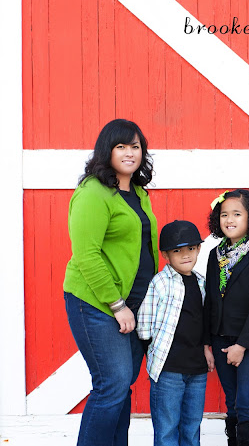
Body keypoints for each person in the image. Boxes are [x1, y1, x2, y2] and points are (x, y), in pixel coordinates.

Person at [63, 119, 158, 446]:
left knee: (121, 386)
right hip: (97, 302)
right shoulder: (93, 192)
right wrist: (117, 305)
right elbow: (86, 254)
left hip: (133, 304)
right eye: (121, 146)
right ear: (107, 150)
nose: (130, 153)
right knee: (112, 384)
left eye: (135, 146)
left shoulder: (138, 193)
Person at [203, 189, 249, 446]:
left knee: (246, 400)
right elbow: (210, 300)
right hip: (220, 338)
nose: (229, 220)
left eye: (237, 214)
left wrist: (242, 345)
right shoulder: (215, 254)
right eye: (224, 215)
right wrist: (206, 343)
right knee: (232, 401)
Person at [136, 220, 211, 446]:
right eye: (177, 251)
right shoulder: (160, 283)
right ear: (166, 255)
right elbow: (144, 324)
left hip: (197, 369)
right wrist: (153, 352)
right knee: (167, 428)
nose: (185, 255)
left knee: (192, 425)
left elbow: (204, 321)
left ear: (198, 249)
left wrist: (206, 349)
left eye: (191, 248)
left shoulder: (201, 283)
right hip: (168, 369)